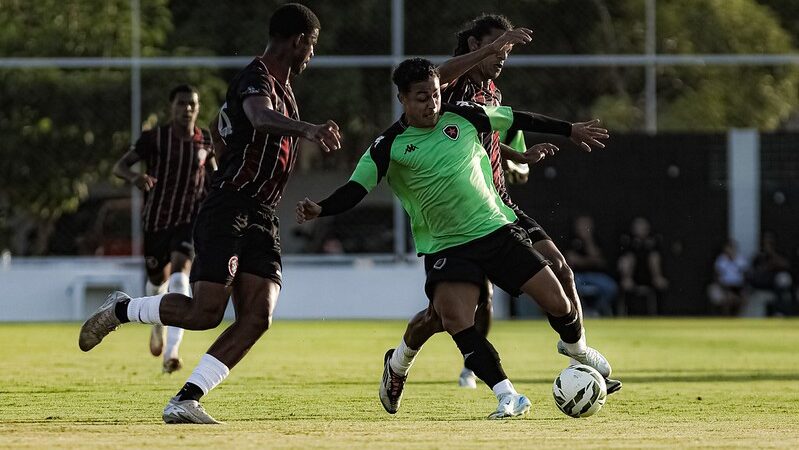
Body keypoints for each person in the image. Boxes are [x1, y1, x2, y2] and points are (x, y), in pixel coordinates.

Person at [296, 58, 614, 419]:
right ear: (401, 98)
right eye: (420, 98)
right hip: (446, 245)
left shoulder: (463, 114)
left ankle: (578, 351)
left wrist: (568, 129)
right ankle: (507, 395)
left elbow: (516, 117)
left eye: (434, 94)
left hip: (496, 229)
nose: (431, 104)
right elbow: (355, 189)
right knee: (456, 319)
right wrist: (320, 209)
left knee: (559, 303)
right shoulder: (388, 146)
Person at [79, 3, 342, 424]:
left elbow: (224, 142)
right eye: (311, 45)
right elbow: (256, 117)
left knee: (258, 316)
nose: (312, 53)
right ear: (298, 41)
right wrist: (307, 129)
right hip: (231, 207)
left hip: (261, 213)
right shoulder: (255, 78)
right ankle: (123, 309)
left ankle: (186, 398)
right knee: (206, 314)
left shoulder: (287, 92)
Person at [385, 15, 617, 392]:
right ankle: (410, 360)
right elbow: (439, 77)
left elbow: (480, 133)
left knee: (559, 268)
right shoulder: (450, 85)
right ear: (476, 45)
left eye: (507, 49)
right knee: (451, 313)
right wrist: (493, 46)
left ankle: (580, 354)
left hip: (499, 202)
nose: (504, 55)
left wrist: (516, 157)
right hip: (459, 215)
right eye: (499, 46)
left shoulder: (492, 91)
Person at [112, 84, 215, 374]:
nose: (187, 109)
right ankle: (157, 325)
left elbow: (215, 174)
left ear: (198, 108)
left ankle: (172, 352)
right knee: (157, 282)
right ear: (171, 107)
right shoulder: (155, 139)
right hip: (157, 220)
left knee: (182, 276)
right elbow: (120, 166)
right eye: (182, 104)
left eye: (192, 104)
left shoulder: (205, 140)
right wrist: (135, 178)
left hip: (189, 220)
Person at [566, 215, 618, 317]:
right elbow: (571, 261)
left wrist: (588, 240)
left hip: (597, 275)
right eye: (581, 224)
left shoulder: (598, 239)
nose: (584, 227)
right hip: (577, 275)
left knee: (611, 287)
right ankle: (581, 312)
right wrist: (591, 260)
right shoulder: (570, 240)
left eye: (587, 225)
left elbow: (601, 262)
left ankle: (597, 310)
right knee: (570, 288)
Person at [617, 217, 668, 315]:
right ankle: (626, 279)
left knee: (654, 257)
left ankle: (657, 277)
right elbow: (622, 260)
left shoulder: (653, 242)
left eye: (643, 227)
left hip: (648, 277)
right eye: (638, 226)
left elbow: (656, 258)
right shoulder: (627, 241)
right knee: (628, 259)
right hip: (633, 276)